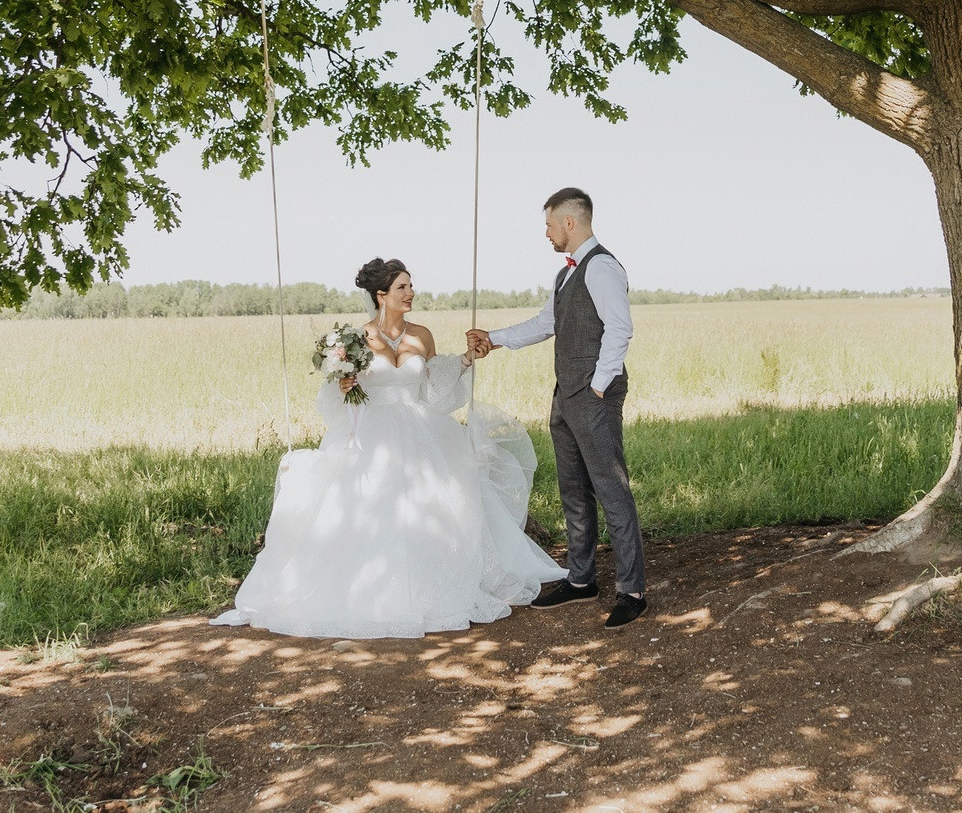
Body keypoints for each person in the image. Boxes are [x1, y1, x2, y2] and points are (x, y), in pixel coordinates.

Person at [215, 258, 564, 638]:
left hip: (421, 431)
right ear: (381, 295)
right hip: (372, 433)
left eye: (411, 286)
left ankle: (434, 584)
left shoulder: (422, 336)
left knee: (430, 504)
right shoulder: (353, 339)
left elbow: (432, 389)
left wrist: (465, 360)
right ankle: (369, 591)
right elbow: (334, 398)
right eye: (402, 287)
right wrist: (343, 387)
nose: (411, 293)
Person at [467, 187, 648, 629]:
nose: (546, 233)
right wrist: (494, 337)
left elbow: (620, 330)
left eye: (549, 224)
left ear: (570, 222)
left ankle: (633, 590)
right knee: (574, 490)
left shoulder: (601, 267)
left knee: (611, 489)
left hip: (592, 397)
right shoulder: (565, 275)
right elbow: (546, 324)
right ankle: (582, 580)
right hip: (565, 396)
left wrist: (599, 387)